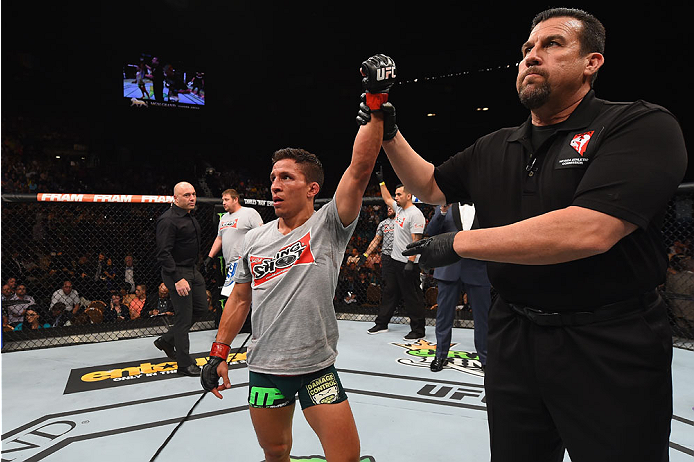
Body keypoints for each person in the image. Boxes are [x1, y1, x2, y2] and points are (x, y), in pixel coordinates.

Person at [357, 10, 687, 462]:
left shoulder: (638, 124)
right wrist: (390, 134)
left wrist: (458, 243)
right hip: (513, 331)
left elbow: (592, 229)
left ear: (592, 62)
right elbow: (430, 187)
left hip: (609, 338)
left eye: (551, 44)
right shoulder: (497, 144)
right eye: (527, 49)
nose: (532, 56)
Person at [200, 58, 390, 462]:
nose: (275, 185)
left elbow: (359, 170)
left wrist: (376, 104)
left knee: (347, 457)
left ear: (311, 188)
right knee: (275, 452)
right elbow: (239, 299)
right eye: (273, 178)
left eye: (287, 177)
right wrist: (218, 353)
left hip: (317, 366)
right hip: (266, 367)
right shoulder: (255, 239)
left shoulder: (329, 225)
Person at [424, 204, 491, 372]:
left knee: (483, 318)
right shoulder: (446, 207)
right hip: (448, 268)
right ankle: (440, 355)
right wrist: (442, 212)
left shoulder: (485, 203)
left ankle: (486, 358)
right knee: (444, 315)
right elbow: (431, 231)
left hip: (478, 267)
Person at [154, 181, 208, 375]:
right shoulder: (168, 220)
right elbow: (163, 253)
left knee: (201, 308)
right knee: (183, 318)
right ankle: (184, 364)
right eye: (186, 195)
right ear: (175, 198)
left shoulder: (189, 216)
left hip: (192, 270)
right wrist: (177, 278)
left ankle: (166, 340)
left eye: (193, 194)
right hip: (176, 272)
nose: (192, 198)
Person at [367, 176, 426, 340]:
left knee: (411, 296)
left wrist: (411, 262)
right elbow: (386, 198)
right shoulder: (399, 209)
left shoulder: (415, 214)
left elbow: (417, 242)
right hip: (394, 261)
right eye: (396, 194)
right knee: (389, 292)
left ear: (408, 196)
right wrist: (382, 182)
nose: (395, 197)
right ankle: (382, 323)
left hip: (408, 263)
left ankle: (418, 329)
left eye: (399, 194)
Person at [204, 188, 263, 298]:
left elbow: (261, 234)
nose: (223, 203)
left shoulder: (249, 213)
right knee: (236, 297)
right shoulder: (224, 218)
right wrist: (210, 257)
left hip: (245, 262)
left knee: (244, 296)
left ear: (235, 199)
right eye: (223, 200)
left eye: (226, 200)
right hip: (231, 264)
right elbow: (219, 238)